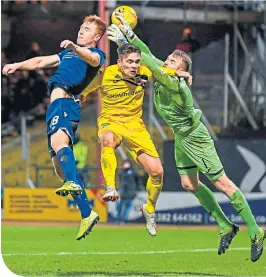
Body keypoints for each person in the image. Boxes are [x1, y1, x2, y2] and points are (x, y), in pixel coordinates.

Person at [107, 16, 265, 262]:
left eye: (172, 61)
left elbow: (150, 61)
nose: (166, 61)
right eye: (169, 58)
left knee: (223, 184)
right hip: (181, 138)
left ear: (180, 71)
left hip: (196, 137)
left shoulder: (173, 83)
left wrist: (129, 38)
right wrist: (132, 39)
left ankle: (256, 231)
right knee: (190, 184)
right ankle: (225, 226)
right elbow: (150, 56)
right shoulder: (166, 72)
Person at [2, 15, 107, 240]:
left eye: (87, 29)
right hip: (55, 106)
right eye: (81, 27)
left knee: (59, 144)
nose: (81, 31)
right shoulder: (66, 53)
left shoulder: (96, 54)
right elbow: (40, 61)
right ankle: (87, 213)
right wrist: (17, 65)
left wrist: (75, 47)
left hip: (66, 102)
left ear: (96, 37)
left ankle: (75, 187)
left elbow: (91, 58)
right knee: (60, 168)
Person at [80, 43, 166, 236]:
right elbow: (84, 90)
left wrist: (180, 72)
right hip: (111, 122)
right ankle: (110, 187)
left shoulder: (144, 72)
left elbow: (163, 69)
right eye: (129, 62)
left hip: (136, 127)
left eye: (136, 61)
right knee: (107, 140)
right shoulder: (106, 74)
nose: (134, 66)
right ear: (119, 62)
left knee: (157, 172)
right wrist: (79, 97)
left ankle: (150, 210)